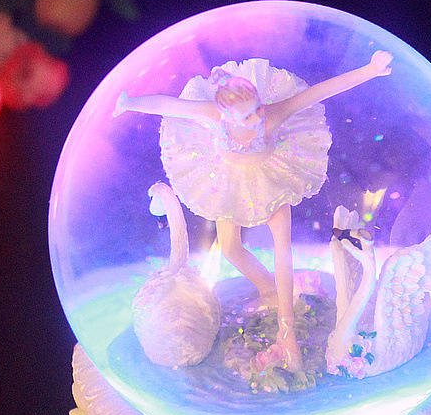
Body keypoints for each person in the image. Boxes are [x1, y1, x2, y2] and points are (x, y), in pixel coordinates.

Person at [113, 51, 392, 372]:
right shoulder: (213, 116)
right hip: (229, 183)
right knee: (230, 248)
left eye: (258, 108)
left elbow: (319, 92)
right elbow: (169, 105)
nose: (258, 118)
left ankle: (287, 328)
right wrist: (129, 103)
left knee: (282, 250)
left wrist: (370, 70)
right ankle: (267, 288)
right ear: (226, 115)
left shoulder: (272, 115)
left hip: (270, 180)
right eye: (247, 116)